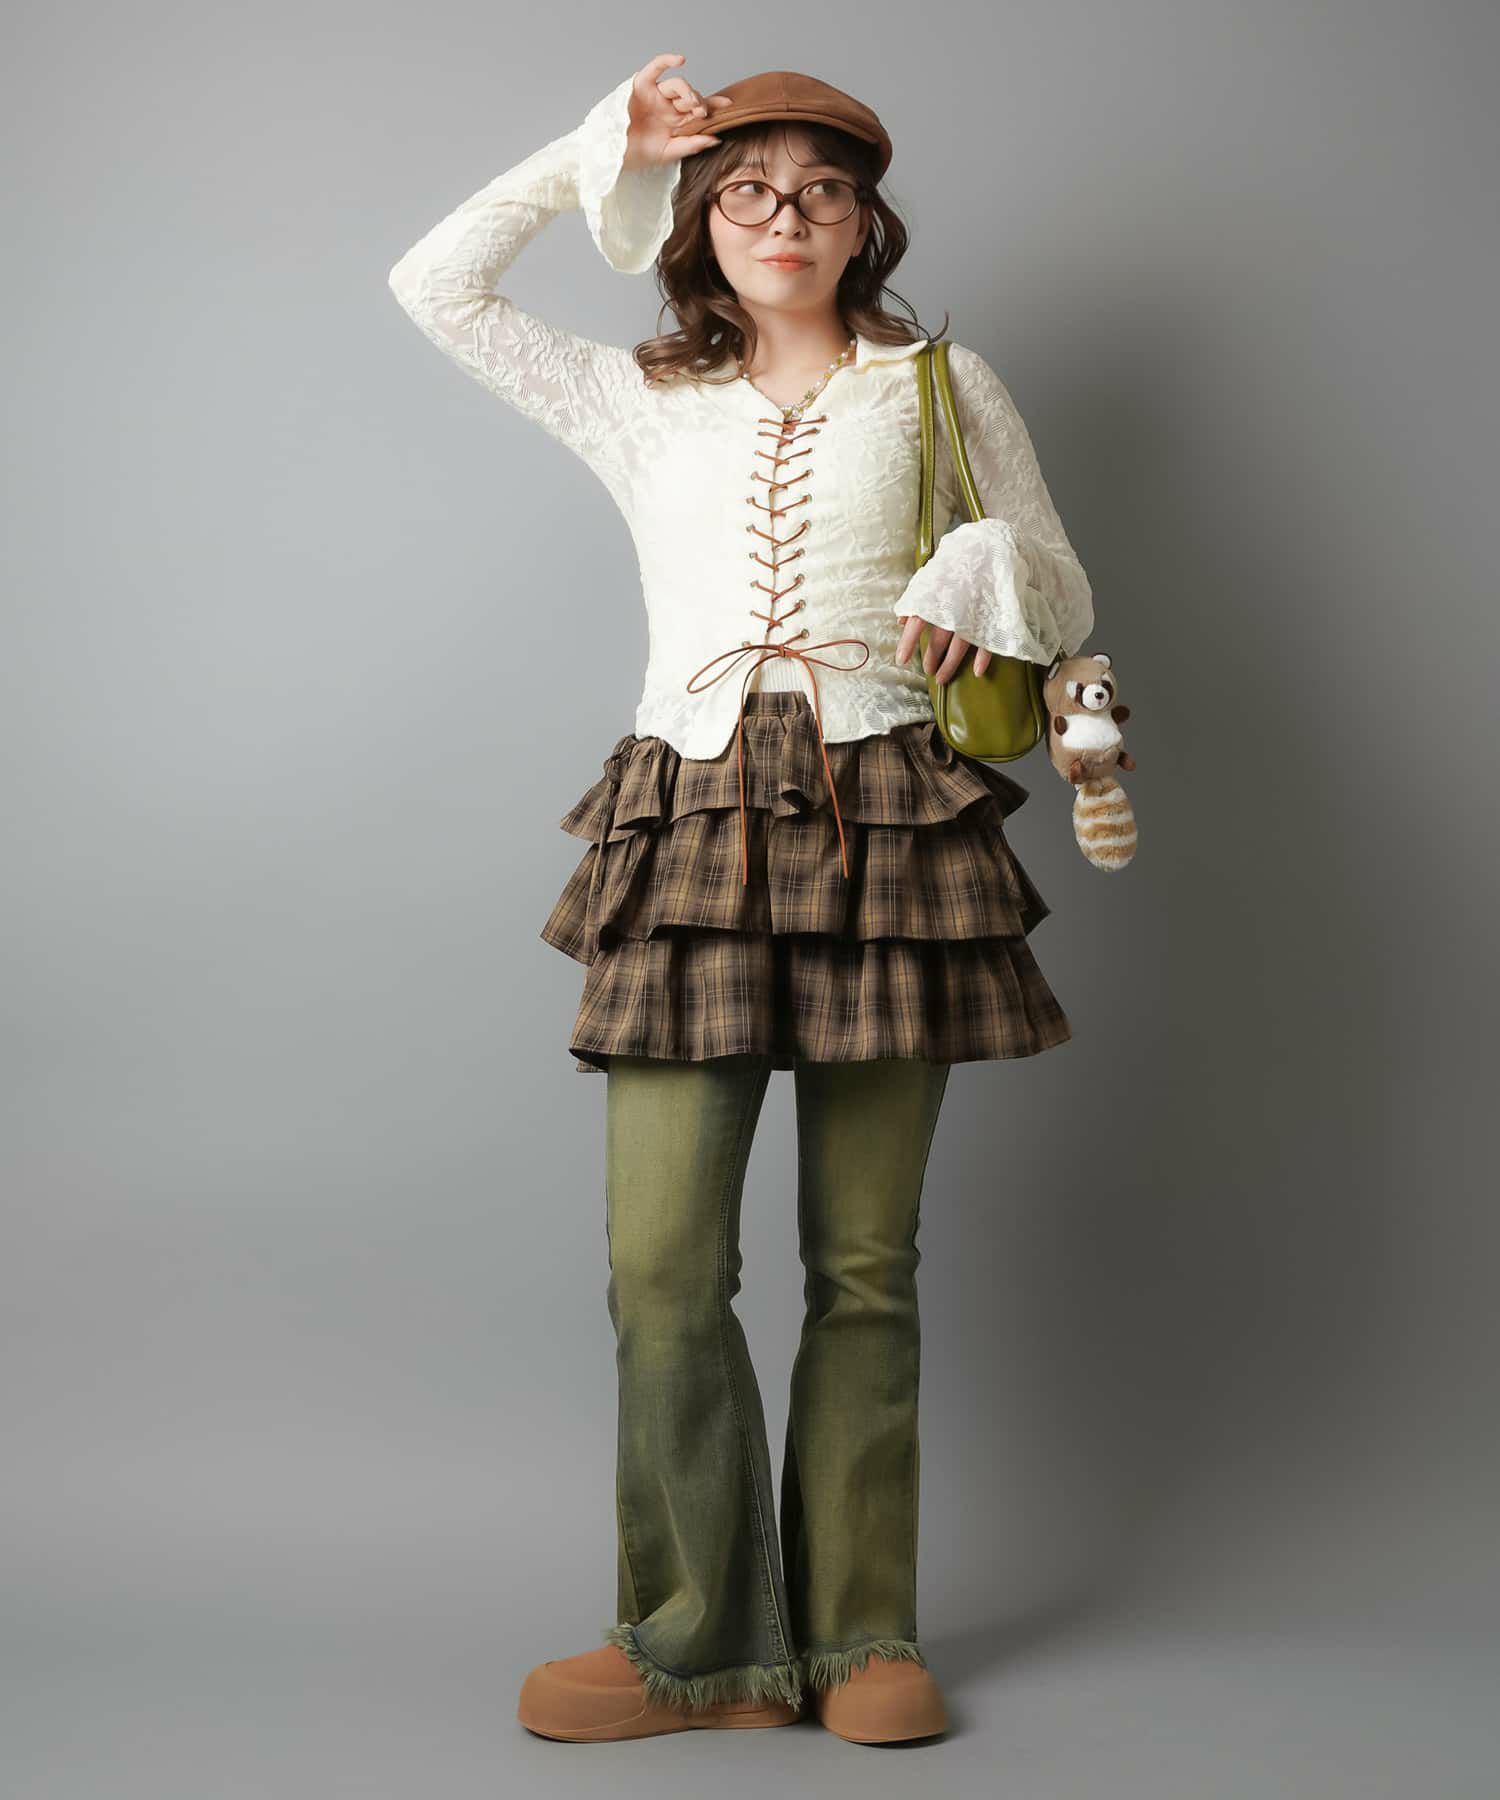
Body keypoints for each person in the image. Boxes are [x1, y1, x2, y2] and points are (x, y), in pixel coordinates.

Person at [387, 52, 1095, 1746]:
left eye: (825, 192)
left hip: (891, 825)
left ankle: (860, 1639)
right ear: (700, 219)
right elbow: (436, 286)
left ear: (866, 223)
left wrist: (985, 563)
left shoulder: (941, 383)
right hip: (690, 818)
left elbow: (1059, 585)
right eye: (753, 191)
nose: (790, 218)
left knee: (865, 1263)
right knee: (661, 1267)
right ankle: (696, 1645)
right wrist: (595, 152)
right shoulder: (639, 393)